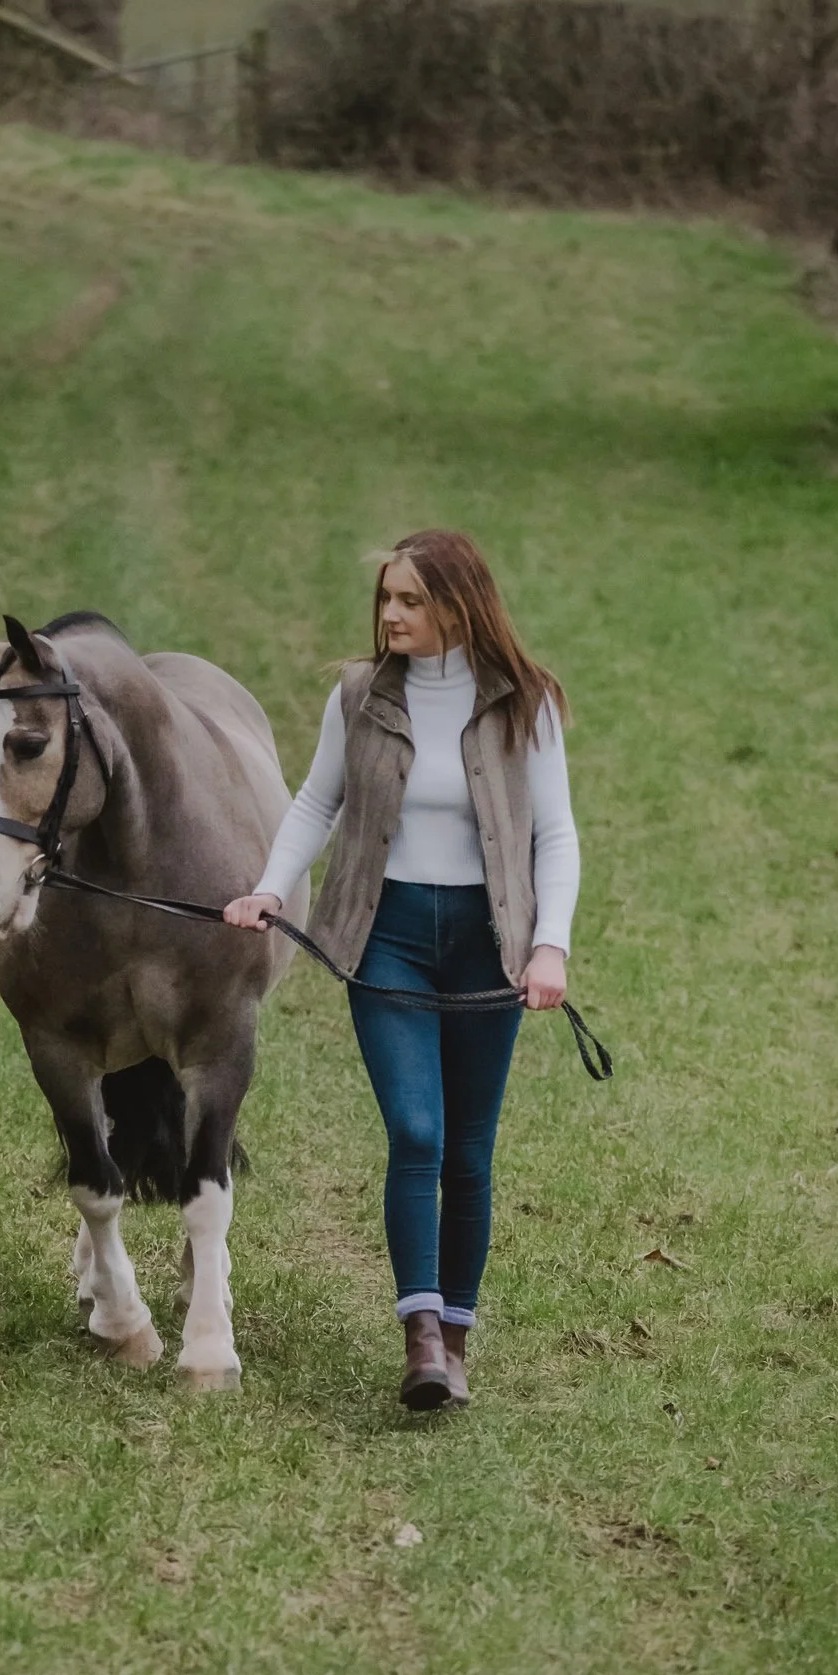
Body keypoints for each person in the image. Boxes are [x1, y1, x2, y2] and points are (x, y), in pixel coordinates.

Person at [224, 530, 580, 1412]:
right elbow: (317, 801)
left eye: (412, 600)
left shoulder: (522, 702)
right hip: (383, 938)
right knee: (416, 1133)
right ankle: (419, 1336)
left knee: (468, 1149)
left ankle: (455, 1337)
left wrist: (550, 945)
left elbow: (555, 834)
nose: (391, 613)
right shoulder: (357, 697)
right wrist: (270, 889)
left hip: (487, 941)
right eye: (387, 597)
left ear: (461, 605)